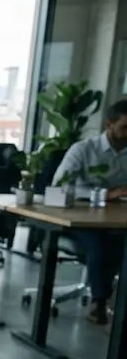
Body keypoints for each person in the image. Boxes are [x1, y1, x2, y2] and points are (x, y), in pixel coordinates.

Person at [52, 98, 127, 324]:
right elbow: (60, 185)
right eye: (125, 127)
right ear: (109, 125)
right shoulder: (84, 149)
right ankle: (99, 301)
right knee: (101, 245)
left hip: (117, 217)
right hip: (81, 219)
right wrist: (105, 194)